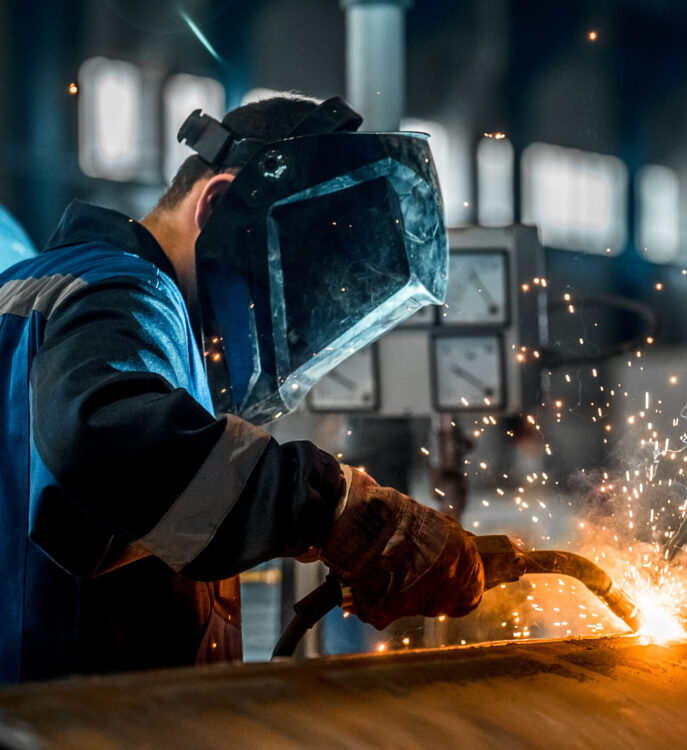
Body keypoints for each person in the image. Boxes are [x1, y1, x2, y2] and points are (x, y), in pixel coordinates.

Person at [0, 92, 485, 683]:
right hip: (59, 718)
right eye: (287, 298)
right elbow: (99, 440)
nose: (287, 332)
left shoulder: (52, 289)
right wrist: (329, 508)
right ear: (218, 204)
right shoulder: (129, 292)